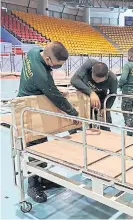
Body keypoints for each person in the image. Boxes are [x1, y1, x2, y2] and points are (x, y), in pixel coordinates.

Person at [18, 41, 79, 203]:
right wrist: (73, 113)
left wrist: (55, 89)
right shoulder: (42, 75)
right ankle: (32, 185)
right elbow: (55, 97)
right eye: (56, 65)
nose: (56, 68)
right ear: (47, 58)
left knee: (42, 145)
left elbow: (49, 88)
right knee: (33, 147)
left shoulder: (33, 52)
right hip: (29, 109)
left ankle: (42, 178)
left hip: (38, 102)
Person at [70, 59, 118, 131]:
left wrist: (106, 108)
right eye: (95, 80)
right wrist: (91, 92)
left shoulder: (113, 79)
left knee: (105, 124)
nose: (97, 82)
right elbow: (74, 80)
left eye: (99, 81)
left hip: (101, 99)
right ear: (91, 71)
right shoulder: (89, 64)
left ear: (106, 76)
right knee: (76, 124)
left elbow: (113, 94)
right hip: (84, 96)